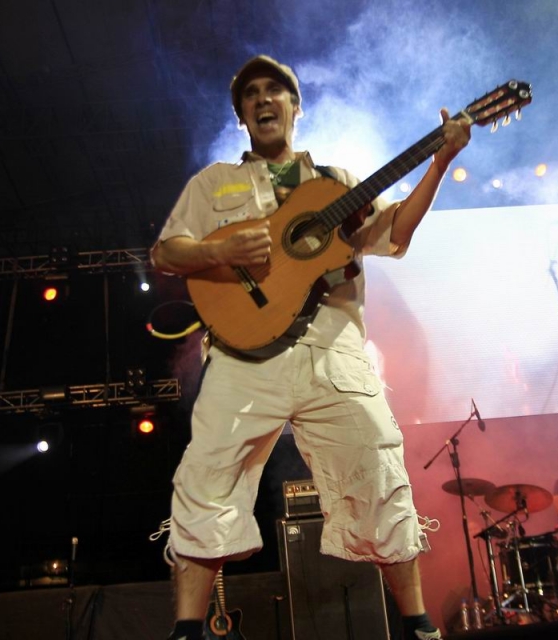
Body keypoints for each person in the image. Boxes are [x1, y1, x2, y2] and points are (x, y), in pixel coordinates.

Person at [150, 55, 471, 640]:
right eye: (251, 94)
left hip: (334, 353)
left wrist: (441, 160)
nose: (262, 99)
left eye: (274, 90)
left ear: (295, 106)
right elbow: (167, 252)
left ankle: (418, 626)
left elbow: (396, 233)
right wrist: (218, 252)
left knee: (379, 472)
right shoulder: (213, 183)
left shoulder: (336, 182)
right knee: (205, 478)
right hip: (243, 356)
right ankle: (187, 632)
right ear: (242, 115)